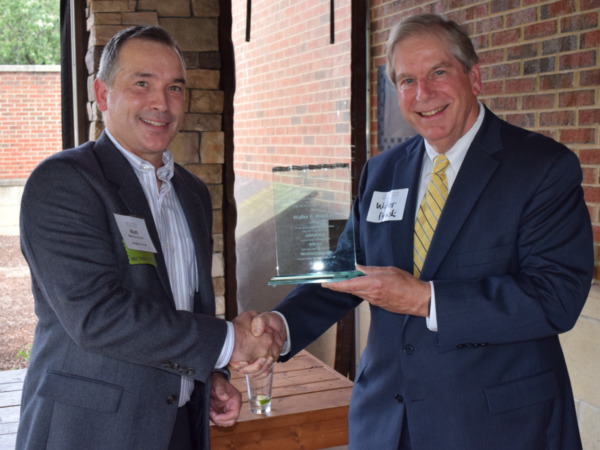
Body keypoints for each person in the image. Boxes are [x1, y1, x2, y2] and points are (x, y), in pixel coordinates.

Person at [245, 13, 594, 450]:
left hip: (495, 427)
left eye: (439, 72)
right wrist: (281, 324)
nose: (423, 93)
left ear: (475, 77)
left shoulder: (541, 167)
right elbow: (345, 270)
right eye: (407, 80)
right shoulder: (382, 170)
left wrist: (426, 299)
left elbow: (556, 298)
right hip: (387, 423)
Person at [16, 26, 280, 450]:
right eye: (142, 84)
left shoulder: (191, 193)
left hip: (178, 427)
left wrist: (207, 374)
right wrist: (229, 341)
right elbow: (98, 316)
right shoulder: (65, 182)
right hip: (90, 432)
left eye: (175, 87)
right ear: (103, 96)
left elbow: (181, 307)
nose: (161, 102)